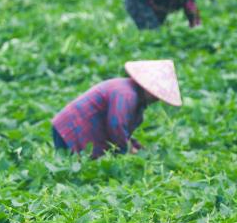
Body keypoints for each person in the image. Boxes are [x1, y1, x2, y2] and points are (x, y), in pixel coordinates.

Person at [51, 60, 182, 159]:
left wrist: (134, 145)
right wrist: (126, 150)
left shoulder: (133, 95)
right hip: (69, 130)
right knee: (69, 168)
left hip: (72, 129)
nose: (157, 99)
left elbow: (122, 129)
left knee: (77, 166)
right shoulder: (126, 94)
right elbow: (116, 125)